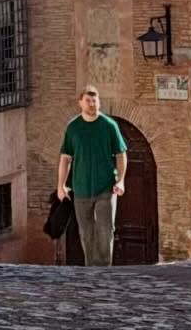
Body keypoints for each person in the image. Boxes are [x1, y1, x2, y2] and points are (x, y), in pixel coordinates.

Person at [56, 85, 127, 267]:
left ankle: (104, 270)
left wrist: (121, 181)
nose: (92, 104)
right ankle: (91, 269)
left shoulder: (109, 126)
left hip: (106, 187)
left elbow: (121, 155)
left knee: (105, 230)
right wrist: (61, 185)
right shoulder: (73, 128)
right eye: (88, 100)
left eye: (95, 100)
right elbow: (65, 158)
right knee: (86, 232)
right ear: (80, 103)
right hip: (80, 188)